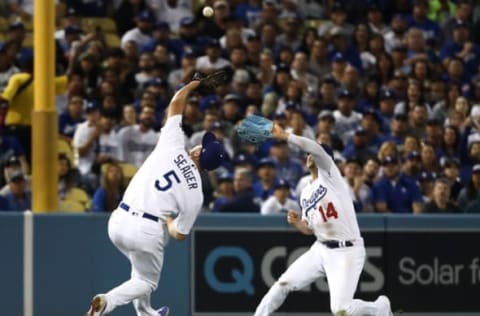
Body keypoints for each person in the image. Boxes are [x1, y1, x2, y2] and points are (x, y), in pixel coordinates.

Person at [85, 79, 226, 316]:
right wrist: (168, 220)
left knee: (140, 270)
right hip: (147, 229)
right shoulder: (196, 193)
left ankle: (147, 313)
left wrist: (193, 85)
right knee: (147, 282)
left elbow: (175, 103)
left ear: (198, 151)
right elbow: (179, 234)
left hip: (118, 220)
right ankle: (107, 302)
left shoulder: (172, 145)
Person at [253, 122, 393, 316]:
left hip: (347, 250)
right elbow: (311, 229)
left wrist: (286, 136)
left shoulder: (331, 176)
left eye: (315, 154)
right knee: (283, 284)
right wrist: (299, 223)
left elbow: (314, 147)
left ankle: (379, 308)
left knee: (340, 310)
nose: (310, 156)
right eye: (309, 155)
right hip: (320, 248)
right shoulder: (305, 192)